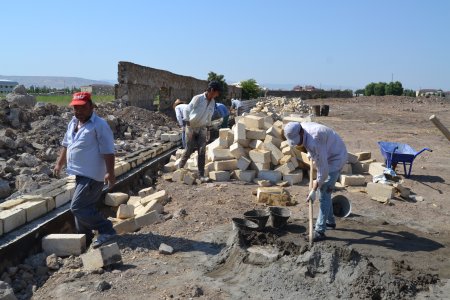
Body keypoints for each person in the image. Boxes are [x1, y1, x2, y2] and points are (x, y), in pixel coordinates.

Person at [54, 92, 117, 248]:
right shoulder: (73, 122)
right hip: (78, 173)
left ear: (91, 106)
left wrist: (110, 172)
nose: (78, 112)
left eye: (82, 108)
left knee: (77, 207)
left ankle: (106, 229)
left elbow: (108, 150)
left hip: (92, 175)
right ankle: (85, 239)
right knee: (84, 207)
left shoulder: (99, 125)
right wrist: (60, 163)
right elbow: (66, 144)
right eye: (75, 108)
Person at [283, 121, 347, 242]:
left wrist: (314, 189)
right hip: (327, 150)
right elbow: (312, 147)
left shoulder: (315, 139)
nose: (298, 143)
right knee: (325, 193)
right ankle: (330, 222)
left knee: (323, 193)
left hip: (335, 158)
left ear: (301, 132)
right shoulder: (302, 128)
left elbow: (323, 171)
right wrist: (311, 153)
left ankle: (319, 231)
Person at [178, 81, 221, 183]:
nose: (218, 95)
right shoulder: (198, 98)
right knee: (189, 149)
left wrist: (208, 128)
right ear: (211, 90)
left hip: (202, 128)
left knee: (202, 150)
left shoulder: (213, 102)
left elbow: (209, 116)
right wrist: (188, 126)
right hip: (191, 126)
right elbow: (186, 110)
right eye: (217, 92)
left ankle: (201, 175)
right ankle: (179, 168)